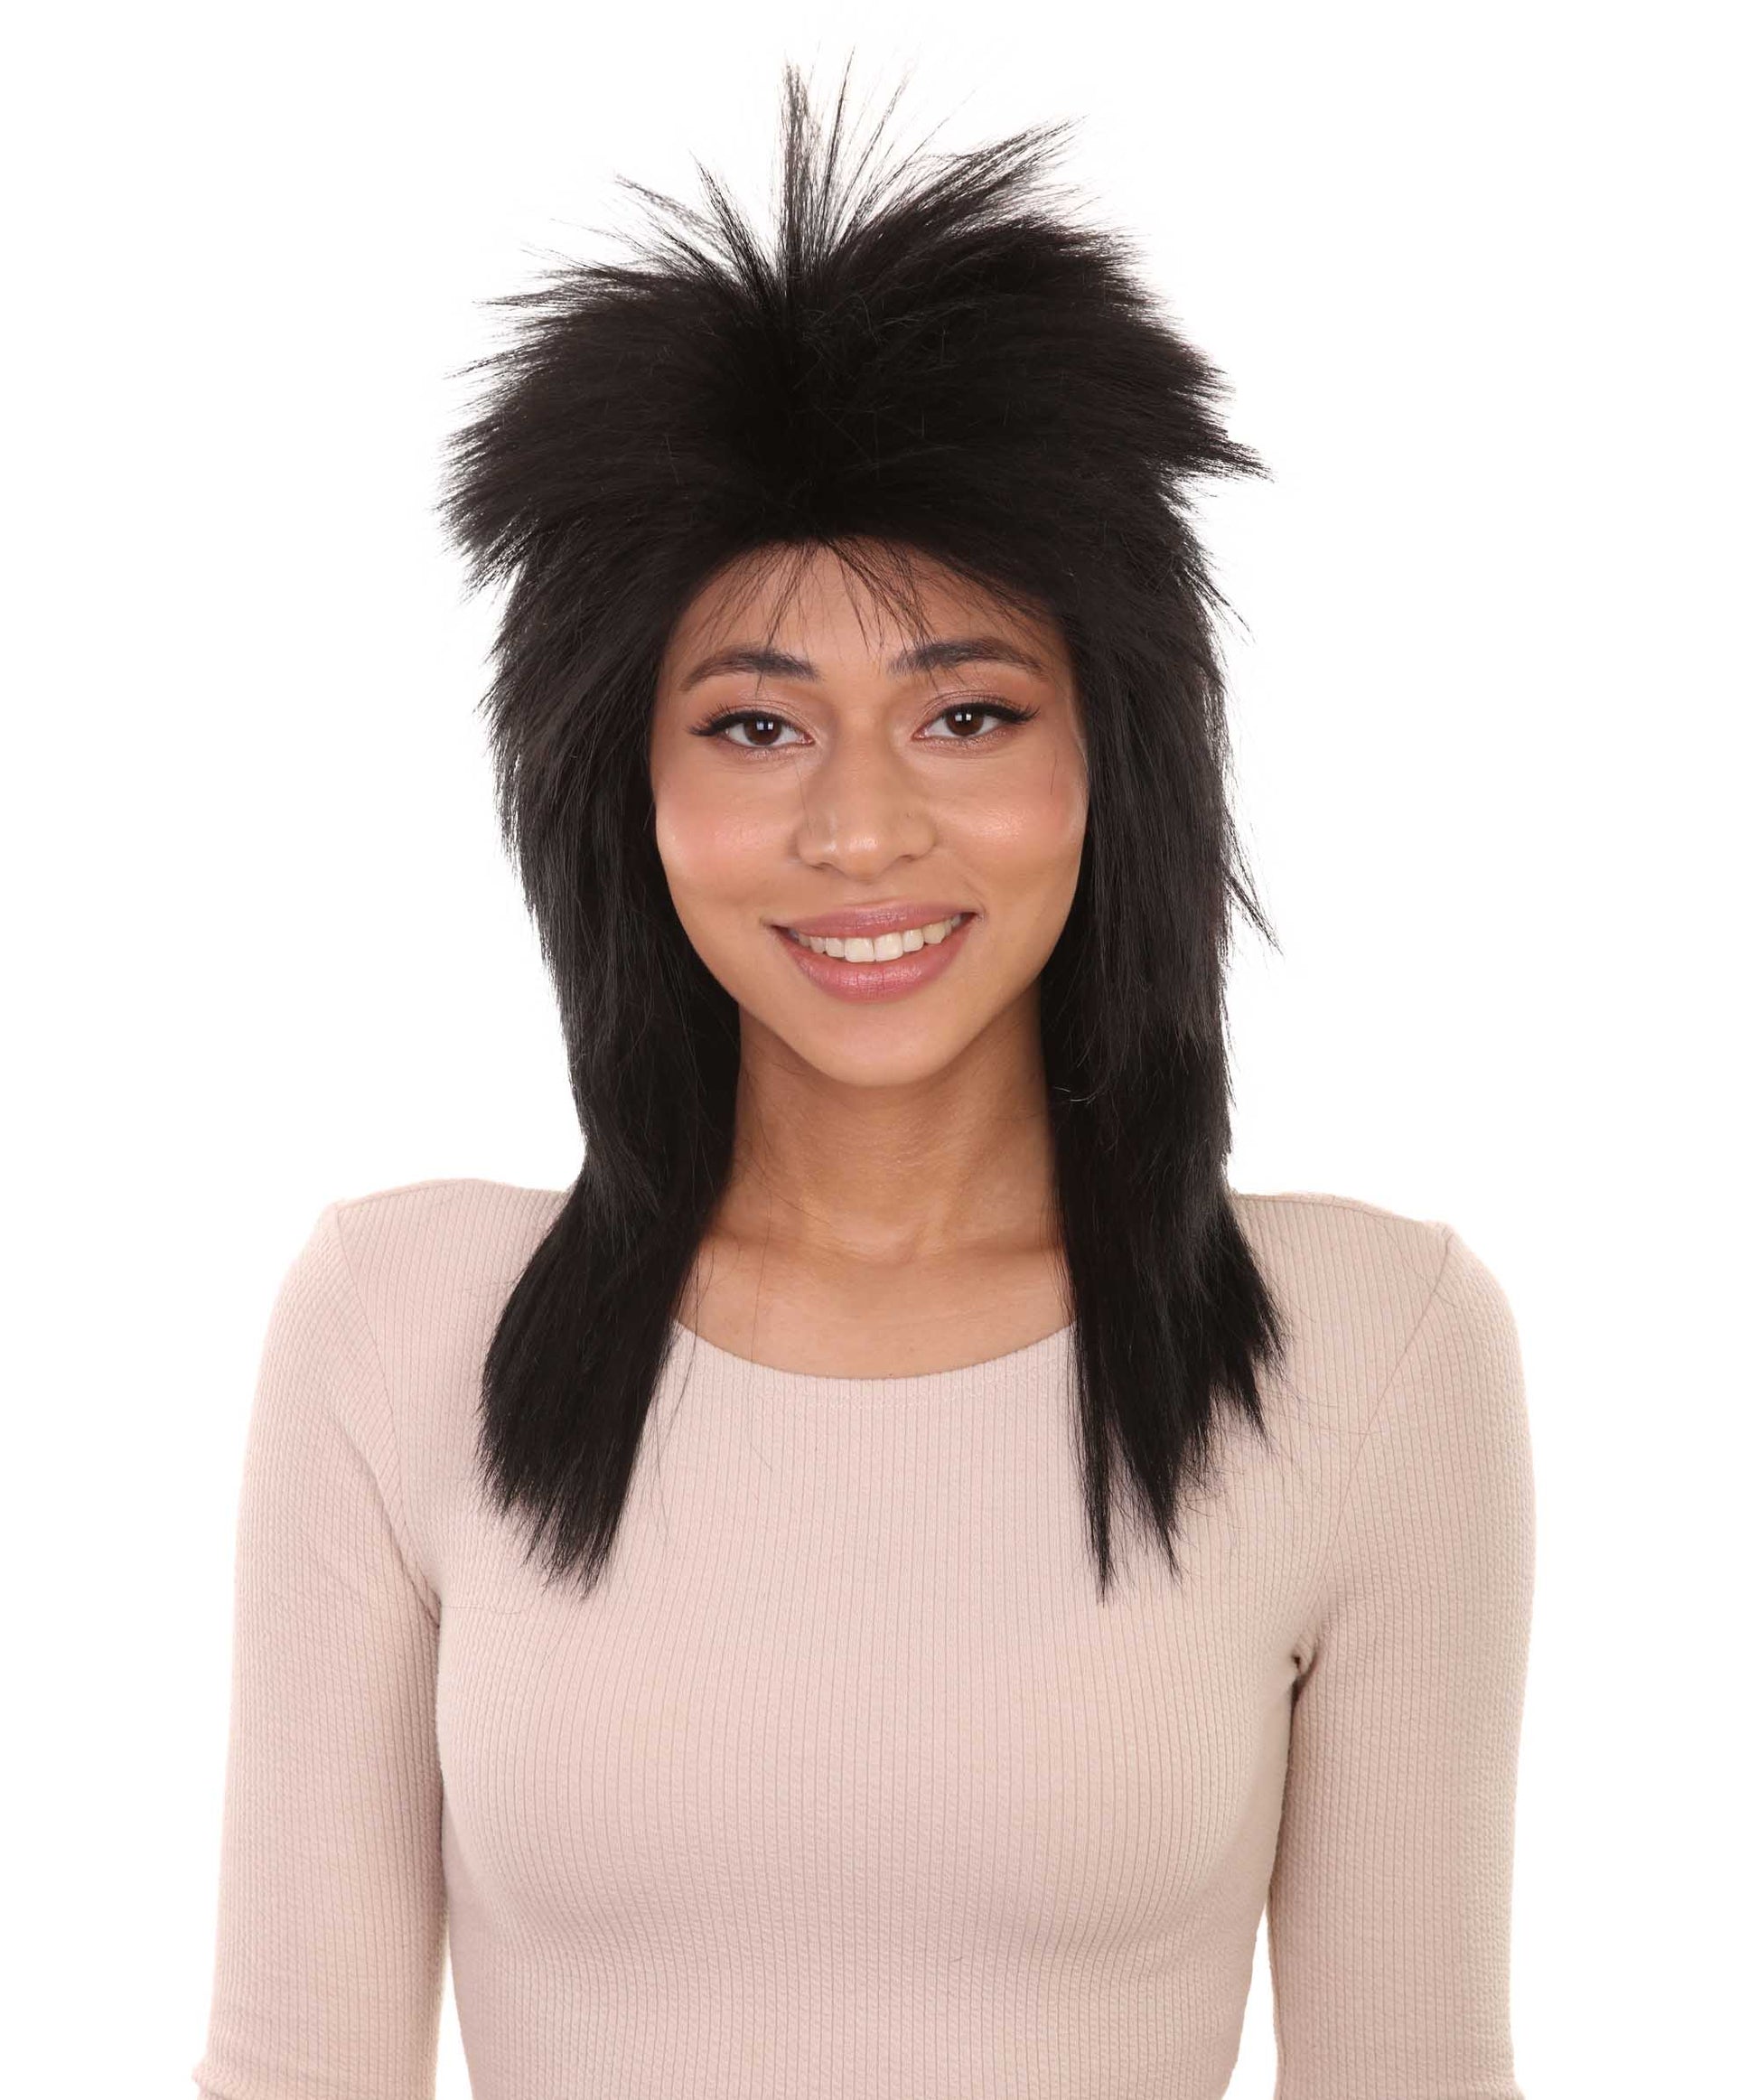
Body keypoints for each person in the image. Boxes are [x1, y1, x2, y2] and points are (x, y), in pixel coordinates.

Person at [191, 60, 1537, 2100]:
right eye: (754, 725)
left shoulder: (1370, 1347)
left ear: (1116, 758)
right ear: (623, 788)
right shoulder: (399, 1326)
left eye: (966, 713)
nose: (860, 831)